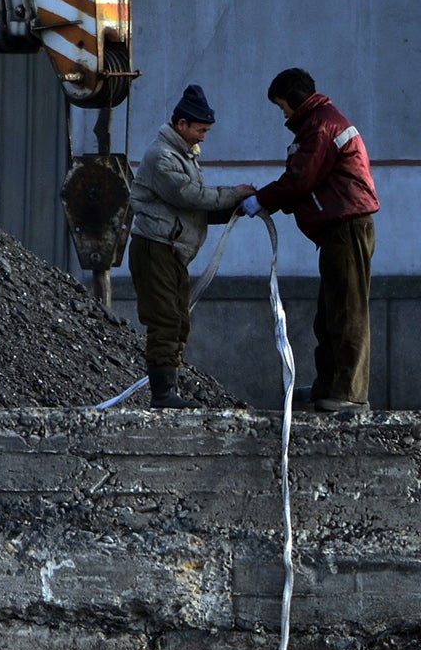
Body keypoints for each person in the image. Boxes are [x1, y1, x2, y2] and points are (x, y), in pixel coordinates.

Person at [241, 69, 380, 412]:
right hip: (338, 229)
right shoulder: (321, 122)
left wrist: (263, 200)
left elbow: (300, 179)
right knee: (329, 314)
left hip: (346, 228)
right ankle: (329, 386)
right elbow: (305, 180)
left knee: (347, 312)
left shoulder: (319, 127)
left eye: (282, 106)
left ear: (293, 99)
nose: (283, 114)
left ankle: (349, 393)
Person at [126, 85, 255, 408]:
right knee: (166, 319)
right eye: (200, 129)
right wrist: (234, 193)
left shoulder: (181, 157)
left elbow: (190, 210)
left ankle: (169, 389)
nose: (203, 137)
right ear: (181, 125)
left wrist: (232, 209)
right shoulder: (162, 157)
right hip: (156, 249)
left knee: (178, 320)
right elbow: (190, 197)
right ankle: (163, 395)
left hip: (170, 251)